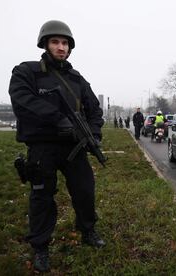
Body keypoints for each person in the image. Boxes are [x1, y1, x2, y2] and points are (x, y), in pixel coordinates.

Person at [8, 20, 105, 272]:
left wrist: (93, 135)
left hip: (74, 147)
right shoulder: (27, 72)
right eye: (55, 42)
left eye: (65, 43)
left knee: (85, 191)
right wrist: (58, 119)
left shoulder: (77, 79)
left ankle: (87, 231)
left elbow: (95, 110)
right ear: (45, 44)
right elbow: (22, 100)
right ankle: (40, 246)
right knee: (42, 197)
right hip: (42, 148)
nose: (61, 47)